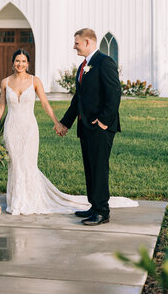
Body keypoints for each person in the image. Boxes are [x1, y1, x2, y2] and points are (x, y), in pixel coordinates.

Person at [0, 47, 136, 216]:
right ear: (13, 63)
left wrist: (58, 123)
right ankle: (16, 200)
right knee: (15, 163)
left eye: (23, 61)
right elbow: (2, 105)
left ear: (28, 63)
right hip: (12, 128)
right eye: (17, 61)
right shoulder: (5, 82)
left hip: (29, 129)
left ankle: (30, 200)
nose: (20, 64)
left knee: (28, 163)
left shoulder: (34, 81)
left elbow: (45, 104)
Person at [58, 28, 122, 225]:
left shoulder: (105, 62)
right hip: (85, 127)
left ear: (87, 42)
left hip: (100, 127)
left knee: (99, 168)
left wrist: (103, 121)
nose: (74, 47)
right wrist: (65, 123)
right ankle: (94, 206)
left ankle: (102, 211)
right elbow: (78, 99)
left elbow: (114, 94)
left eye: (76, 43)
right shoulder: (83, 66)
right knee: (90, 168)